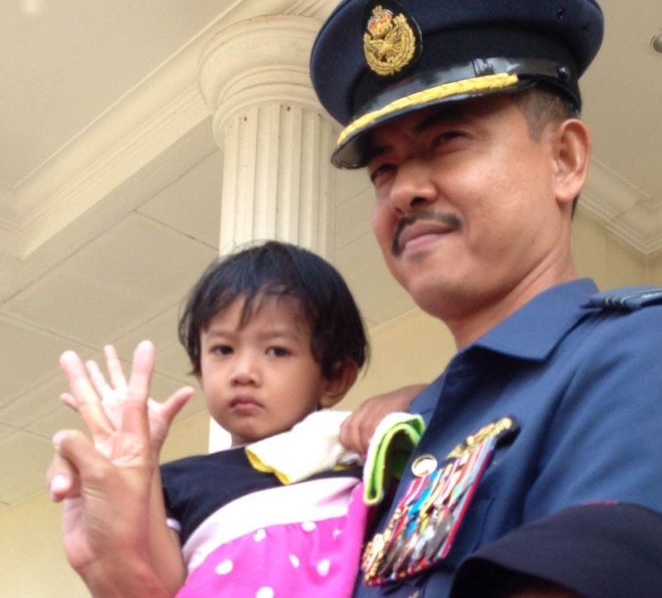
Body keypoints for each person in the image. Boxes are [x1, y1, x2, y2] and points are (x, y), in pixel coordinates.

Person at [48, 0, 662, 597]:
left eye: (448, 141)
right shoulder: (391, 440)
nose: (404, 189)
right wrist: (139, 582)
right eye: (384, 168)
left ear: (565, 160)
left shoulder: (655, 352)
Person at [53, 241, 420, 597]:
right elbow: (164, 586)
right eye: (223, 350)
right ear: (200, 371)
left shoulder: (358, 451)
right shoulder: (175, 481)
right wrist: (142, 469)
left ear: (334, 377)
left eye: (277, 350)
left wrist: (409, 399)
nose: (242, 372)